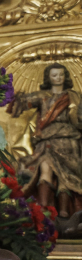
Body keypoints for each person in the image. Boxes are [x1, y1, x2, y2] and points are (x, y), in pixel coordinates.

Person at [9, 63, 82, 218]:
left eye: (61, 75)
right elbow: (23, 102)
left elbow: (80, 119)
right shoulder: (42, 96)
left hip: (68, 141)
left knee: (66, 176)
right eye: (54, 75)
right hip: (46, 141)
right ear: (48, 77)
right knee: (45, 169)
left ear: (66, 77)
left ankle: (64, 211)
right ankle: (42, 207)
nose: (58, 78)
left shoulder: (74, 97)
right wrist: (14, 97)